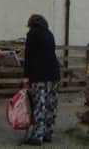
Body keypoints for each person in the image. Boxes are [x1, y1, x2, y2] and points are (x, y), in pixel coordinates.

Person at [22, 14, 60, 146]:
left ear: (31, 23)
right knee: (51, 105)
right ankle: (48, 134)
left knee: (39, 105)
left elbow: (29, 55)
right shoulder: (49, 33)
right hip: (54, 73)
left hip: (39, 74)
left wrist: (26, 76)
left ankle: (37, 136)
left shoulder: (32, 34)